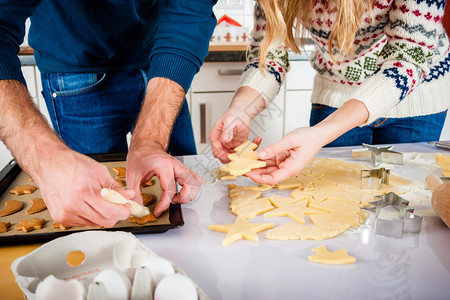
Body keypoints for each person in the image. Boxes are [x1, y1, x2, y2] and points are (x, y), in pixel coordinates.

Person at [0, 0, 217, 227]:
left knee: (184, 204)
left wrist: (150, 141)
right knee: (95, 213)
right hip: (75, 66)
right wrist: (46, 160)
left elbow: (188, 14)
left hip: (159, 61)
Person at [210, 0, 450, 185]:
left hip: (416, 101)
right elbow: (269, 56)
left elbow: (409, 58)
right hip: (335, 95)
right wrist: (240, 111)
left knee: (410, 197)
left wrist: (320, 133)